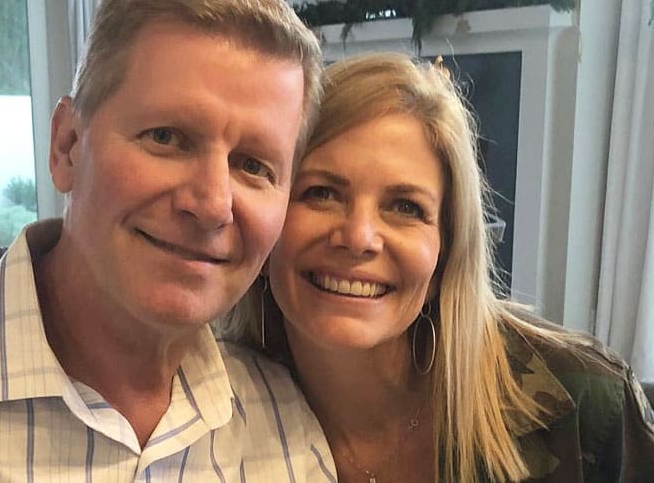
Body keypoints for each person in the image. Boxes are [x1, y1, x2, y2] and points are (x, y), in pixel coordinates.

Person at [0, 0, 336, 481]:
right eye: (166, 138)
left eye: (254, 166)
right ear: (67, 147)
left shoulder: (284, 427)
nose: (213, 205)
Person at [223, 52, 654, 482]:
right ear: (266, 221)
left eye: (405, 207)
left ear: (446, 255)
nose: (358, 238)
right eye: (321, 193)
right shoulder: (213, 415)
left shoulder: (585, 411)